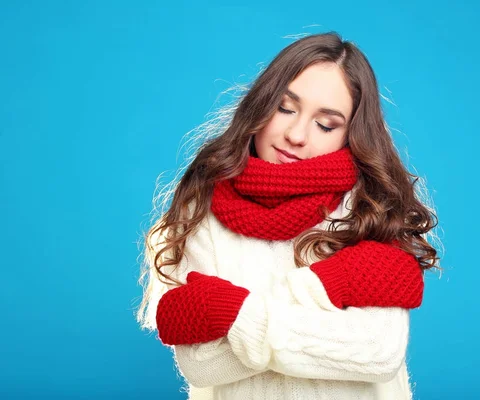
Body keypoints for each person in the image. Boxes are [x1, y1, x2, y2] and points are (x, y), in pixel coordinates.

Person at [136, 31, 440, 400]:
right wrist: (326, 295)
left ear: (350, 134)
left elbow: (377, 352)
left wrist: (234, 311)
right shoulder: (201, 210)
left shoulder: (370, 209)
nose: (296, 134)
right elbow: (202, 365)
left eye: (325, 124)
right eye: (285, 107)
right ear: (260, 106)